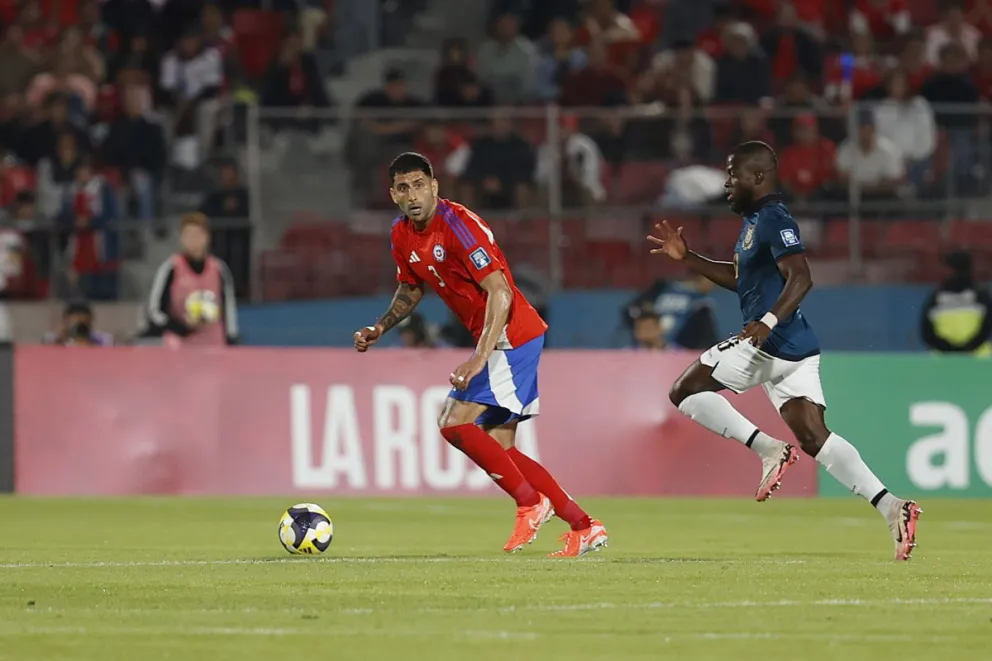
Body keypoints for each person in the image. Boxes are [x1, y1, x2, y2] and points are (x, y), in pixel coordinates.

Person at [647, 141, 922, 561]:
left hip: (770, 343)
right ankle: (892, 507)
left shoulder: (775, 218)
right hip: (795, 347)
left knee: (684, 391)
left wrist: (767, 322)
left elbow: (801, 276)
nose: (726, 183)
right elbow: (741, 278)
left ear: (757, 177)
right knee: (815, 438)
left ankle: (768, 449)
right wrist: (688, 258)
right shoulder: (755, 220)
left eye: (733, 174)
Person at [354, 152, 607, 558]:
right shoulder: (401, 235)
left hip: (511, 334)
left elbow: (501, 291)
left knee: (453, 423)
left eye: (420, 184)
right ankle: (583, 525)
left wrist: (478, 357)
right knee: (501, 447)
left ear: (435, 186)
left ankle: (530, 502)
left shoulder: (459, 225)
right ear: (393, 195)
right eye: (404, 188)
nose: (413, 194)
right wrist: (380, 327)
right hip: (503, 338)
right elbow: (411, 288)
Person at [145, 212, 239, 346]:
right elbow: (154, 311)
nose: (193, 240)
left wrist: (232, 339)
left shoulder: (219, 269)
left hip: (213, 345)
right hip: (179, 346)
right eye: (188, 235)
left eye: (198, 235)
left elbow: (229, 309)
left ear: (207, 237)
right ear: (181, 238)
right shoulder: (171, 268)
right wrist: (180, 328)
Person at [920, 251, 992, 355]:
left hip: (971, 363)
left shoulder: (981, 298)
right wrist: (963, 350)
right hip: (954, 362)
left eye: (948, 270)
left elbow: (987, 328)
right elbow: (927, 332)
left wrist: (951, 351)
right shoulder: (935, 299)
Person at [42, 300, 113, 346]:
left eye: (84, 323)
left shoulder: (102, 338)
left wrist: (89, 345)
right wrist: (62, 340)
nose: (80, 327)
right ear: (65, 320)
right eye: (76, 323)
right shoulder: (54, 338)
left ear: (91, 321)